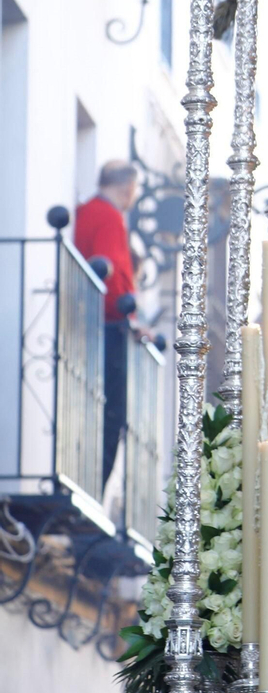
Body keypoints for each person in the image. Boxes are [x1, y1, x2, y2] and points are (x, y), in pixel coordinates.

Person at [74, 159, 141, 486]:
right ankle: (95, 487)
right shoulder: (110, 216)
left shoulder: (84, 211)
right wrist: (130, 315)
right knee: (113, 414)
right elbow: (110, 276)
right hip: (109, 326)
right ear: (128, 188)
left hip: (86, 323)